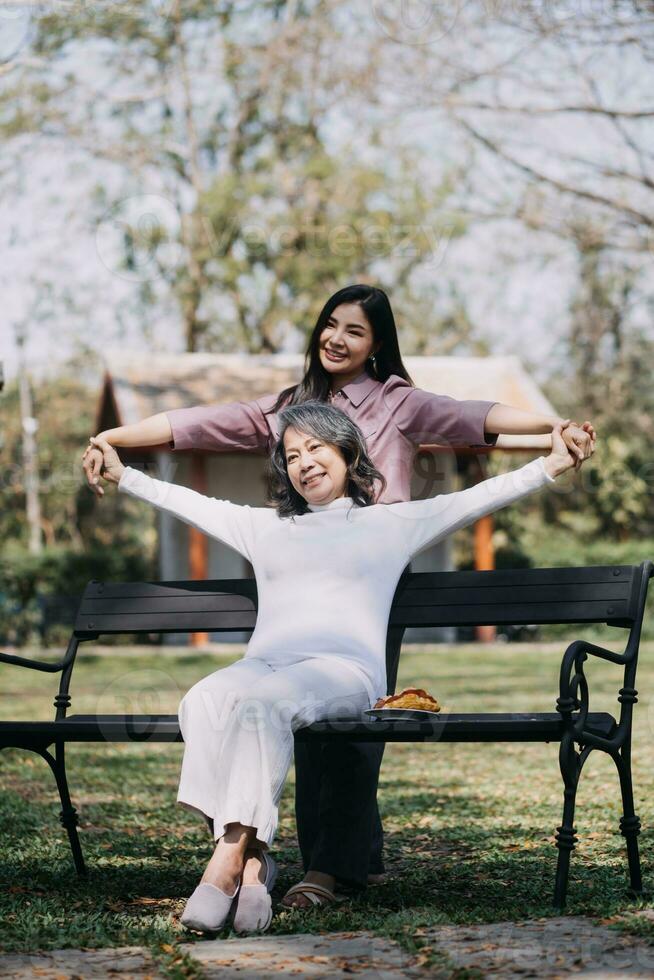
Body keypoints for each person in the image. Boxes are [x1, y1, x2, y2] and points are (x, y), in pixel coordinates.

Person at [82, 283, 596, 907]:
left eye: (355, 330)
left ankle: (319, 866)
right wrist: (121, 440)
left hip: (368, 588)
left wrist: (550, 438)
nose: (337, 338)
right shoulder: (288, 425)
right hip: (291, 614)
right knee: (243, 706)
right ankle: (259, 856)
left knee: (343, 731)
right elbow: (201, 430)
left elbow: (473, 425)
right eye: (330, 324)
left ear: (377, 345)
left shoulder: (396, 408)